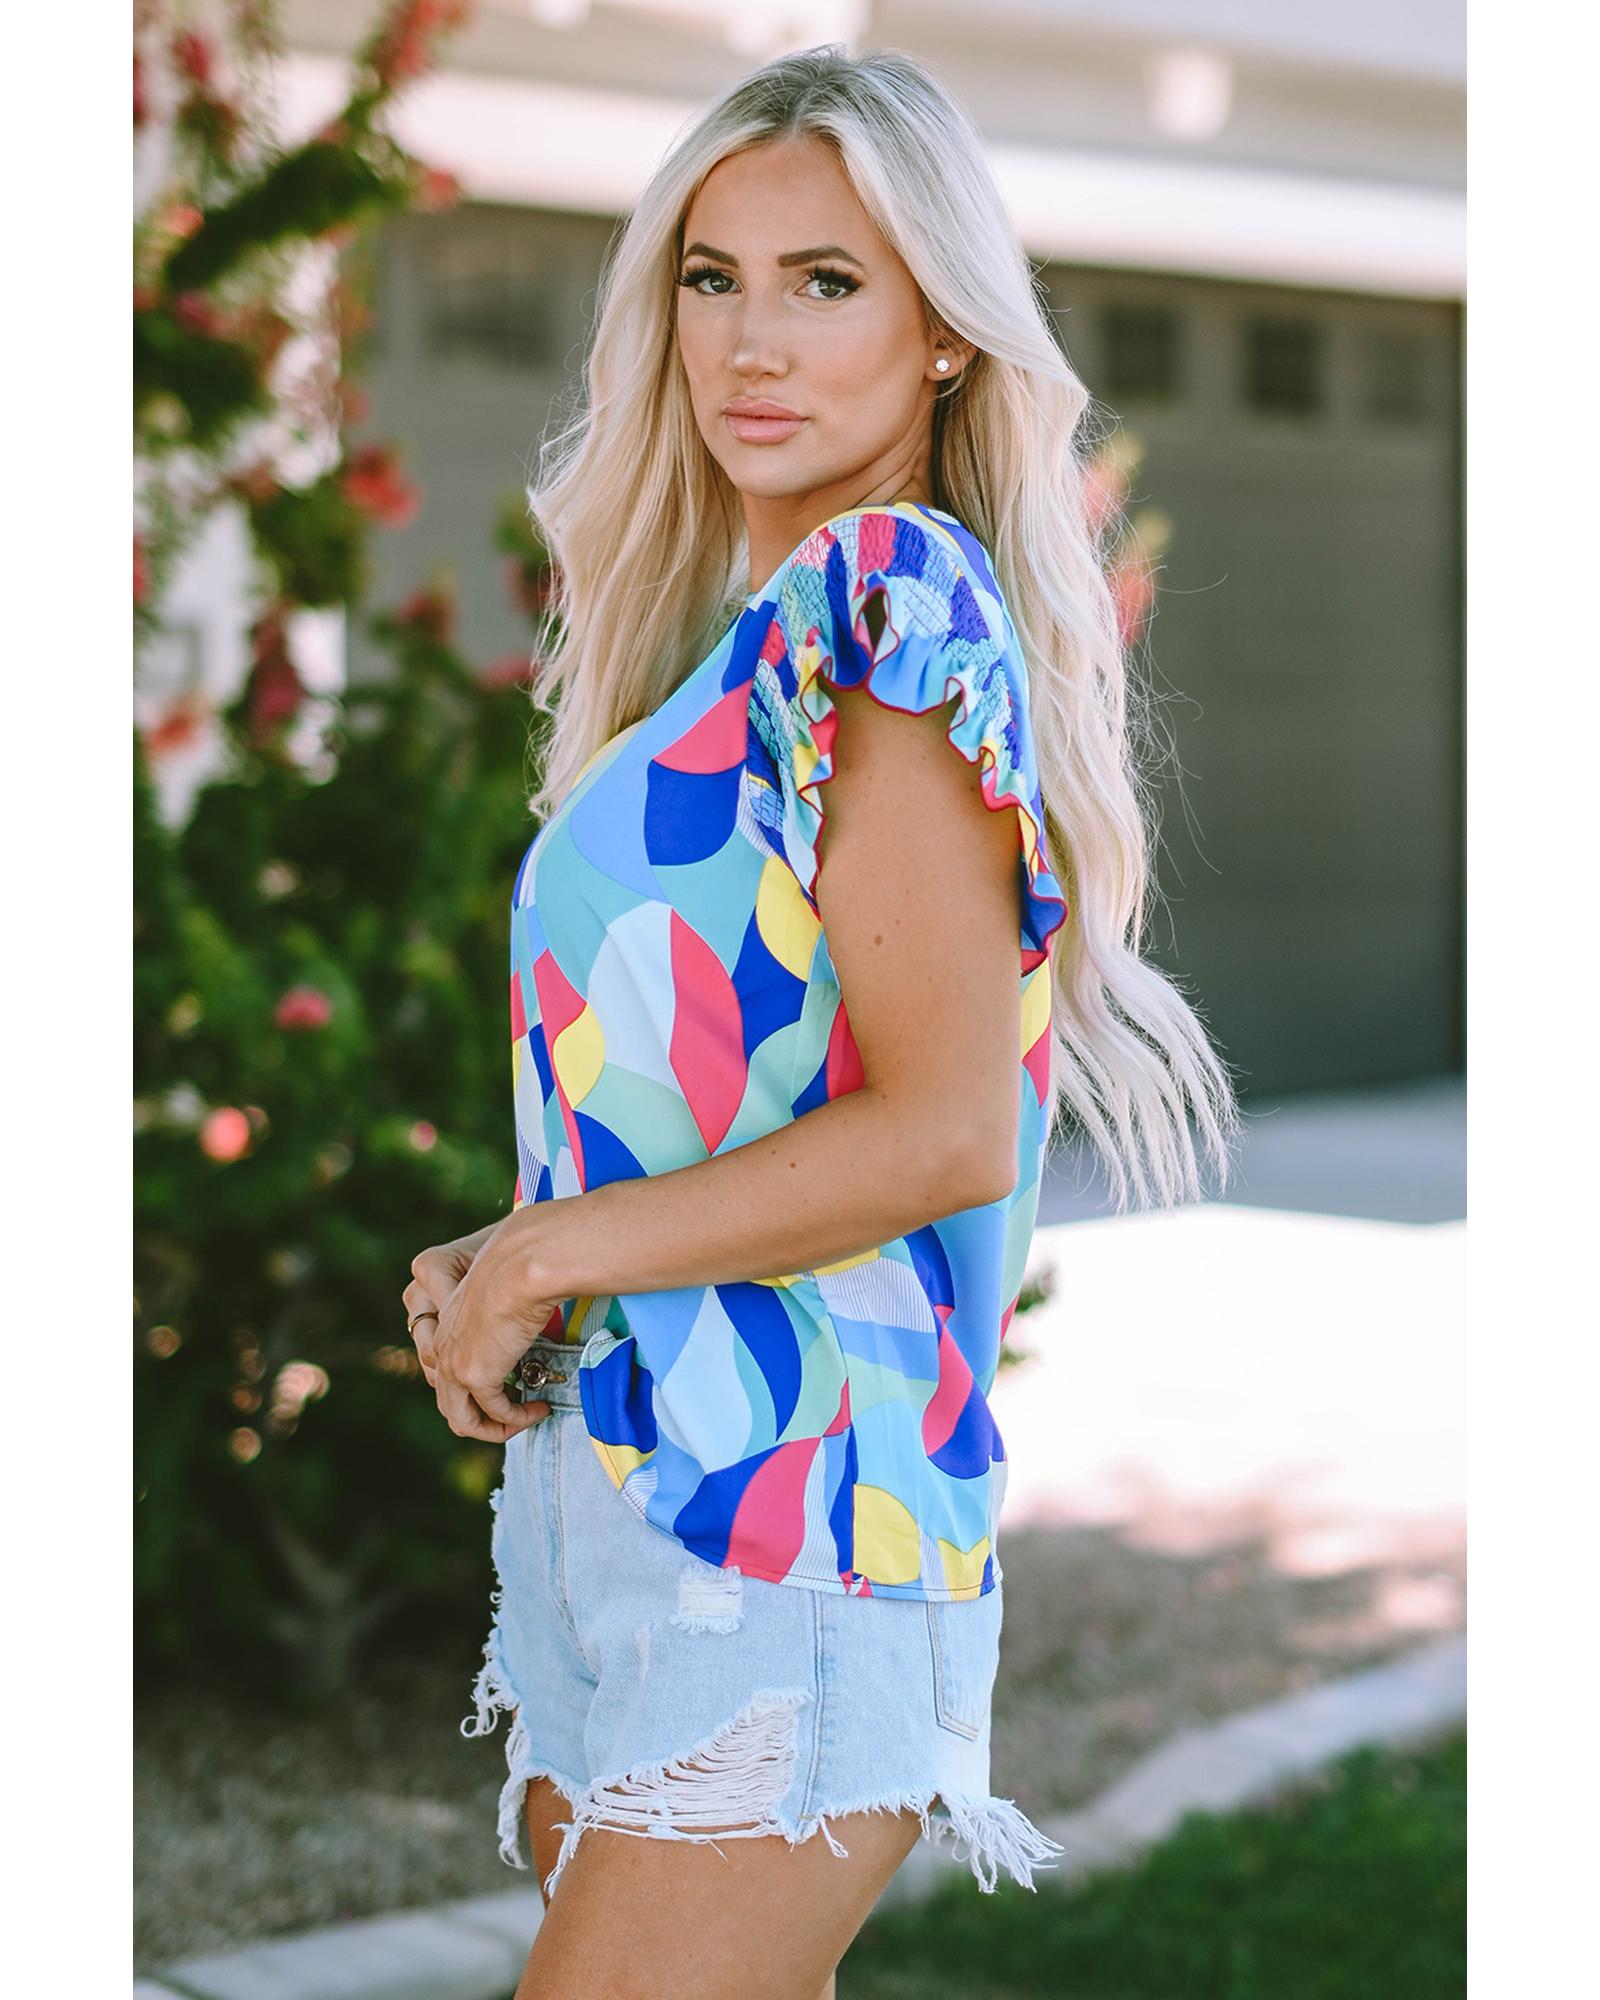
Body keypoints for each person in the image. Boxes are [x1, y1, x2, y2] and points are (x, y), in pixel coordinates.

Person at [401, 42, 1241, 2000]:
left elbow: (943, 1128)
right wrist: (511, 1249)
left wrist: (544, 1254)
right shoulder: (739, 644)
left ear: (944, 331)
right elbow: (709, 1101)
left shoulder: (885, 601)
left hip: (788, 1522)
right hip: (636, 1489)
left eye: (826, 281)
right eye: (712, 278)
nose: (750, 340)